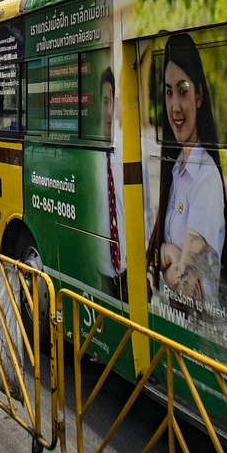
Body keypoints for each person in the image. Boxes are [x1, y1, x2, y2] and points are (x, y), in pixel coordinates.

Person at [146, 33, 227, 312]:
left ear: (199, 96)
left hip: (201, 337)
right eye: (169, 91)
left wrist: (166, 254)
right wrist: (170, 254)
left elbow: (190, 290)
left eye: (183, 91)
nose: (174, 106)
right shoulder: (174, 171)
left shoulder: (206, 178)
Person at [95, 66, 127, 303]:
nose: (108, 111)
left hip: (128, 273)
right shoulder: (91, 161)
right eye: (103, 101)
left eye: (111, 102)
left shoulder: (125, 155)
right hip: (100, 275)